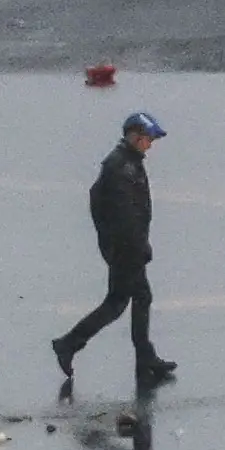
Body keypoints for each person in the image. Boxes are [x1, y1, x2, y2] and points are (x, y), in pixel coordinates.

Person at [55, 112, 177, 384]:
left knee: (140, 297)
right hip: (126, 249)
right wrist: (133, 248)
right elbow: (125, 216)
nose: (150, 145)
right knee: (117, 303)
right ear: (135, 137)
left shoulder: (127, 162)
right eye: (148, 139)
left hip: (126, 247)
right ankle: (69, 343)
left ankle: (145, 355)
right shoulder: (120, 167)